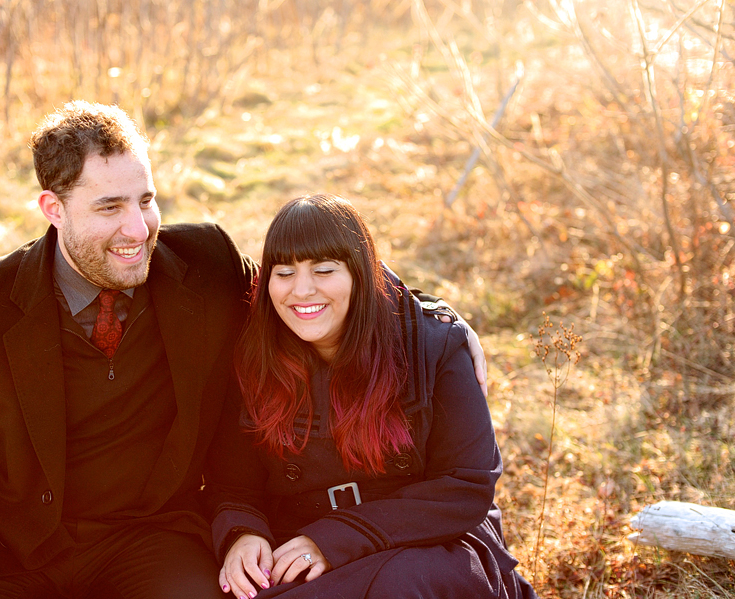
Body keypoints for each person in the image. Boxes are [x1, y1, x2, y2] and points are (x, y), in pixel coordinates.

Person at [0, 103, 486, 599]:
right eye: (109, 207)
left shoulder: (203, 264)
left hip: (154, 541)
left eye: (145, 200)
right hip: (11, 545)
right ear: (53, 209)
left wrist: (441, 321)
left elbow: (311, 285)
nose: (138, 229)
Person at [207, 194, 536, 599]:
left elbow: (465, 485)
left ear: (360, 275)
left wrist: (337, 538)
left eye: (324, 270)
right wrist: (243, 531)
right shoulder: (254, 357)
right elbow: (232, 485)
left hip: (430, 542)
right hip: (299, 543)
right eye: (285, 272)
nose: (302, 290)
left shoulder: (428, 345)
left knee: (398, 587)